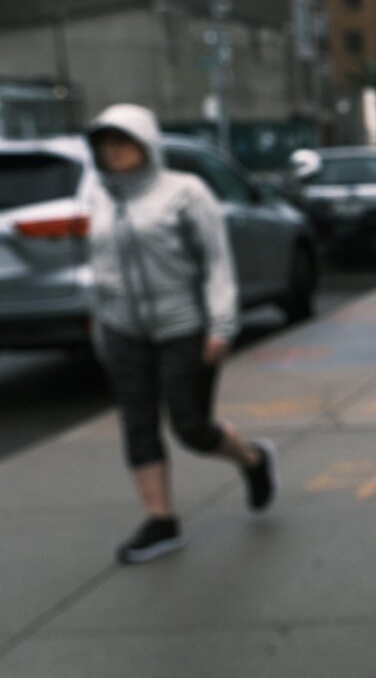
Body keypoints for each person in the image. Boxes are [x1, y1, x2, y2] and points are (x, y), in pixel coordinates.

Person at [82, 104, 277, 564]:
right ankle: (161, 521)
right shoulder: (100, 196)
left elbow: (216, 263)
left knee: (190, 426)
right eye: (106, 144)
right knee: (138, 424)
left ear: (147, 143)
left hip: (183, 326)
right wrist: (99, 324)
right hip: (124, 329)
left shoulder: (186, 193)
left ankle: (252, 459)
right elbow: (99, 266)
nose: (115, 152)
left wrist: (221, 324)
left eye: (124, 141)